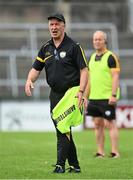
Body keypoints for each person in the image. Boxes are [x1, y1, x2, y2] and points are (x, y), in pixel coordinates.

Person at [25, 13, 88, 173]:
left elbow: (84, 70)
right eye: (51, 25)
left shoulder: (74, 46)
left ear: (63, 26)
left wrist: (81, 91)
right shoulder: (46, 47)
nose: (53, 27)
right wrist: (29, 80)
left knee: (62, 127)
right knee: (63, 128)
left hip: (71, 93)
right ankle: (75, 165)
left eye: (56, 24)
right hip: (55, 94)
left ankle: (60, 165)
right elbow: (36, 68)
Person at [84, 30, 120, 158]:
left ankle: (115, 151)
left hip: (107, 97)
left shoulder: (111, 57)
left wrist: (114, 95)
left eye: (99, 39)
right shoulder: (92, 58)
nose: (97, 41)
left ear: (105, 41)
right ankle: (100, 151)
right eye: (95, 39)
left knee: (110, 124)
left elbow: (115, 77)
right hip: (94, 97)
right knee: (97, 125)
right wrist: (85, 97)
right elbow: (89, 79)